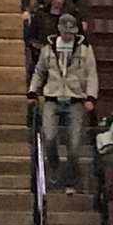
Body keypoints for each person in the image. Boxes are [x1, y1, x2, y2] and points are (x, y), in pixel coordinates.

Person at [29, 21, 98, 191]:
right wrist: (32, 91)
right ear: (59, 30)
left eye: (72, 32)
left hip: (75, 98)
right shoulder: (48, 48)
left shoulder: (84, 49)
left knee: (74, 145)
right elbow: (39, 71)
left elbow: (91, 74)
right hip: (52, 97)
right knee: (49, 137)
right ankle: (56, 168)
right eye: (66, 32)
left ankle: (70, 180)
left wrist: (90, 96)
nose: (69, 35)